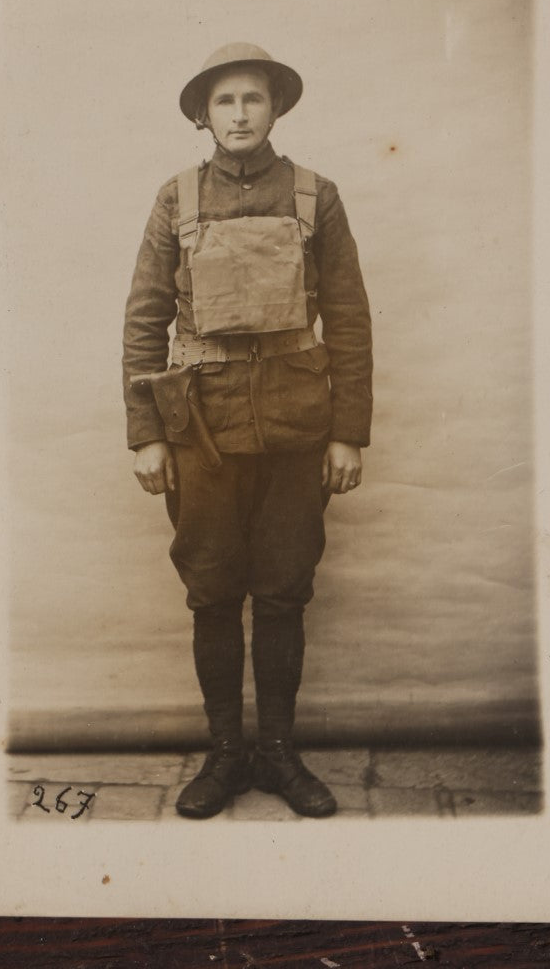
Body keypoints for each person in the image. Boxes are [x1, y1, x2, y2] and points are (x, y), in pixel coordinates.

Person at [123, 43, 372, 819]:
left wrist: (347, 432)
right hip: (199, 430)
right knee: (210, 591)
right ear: (203, 114)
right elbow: (144, 320)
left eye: (252, 99)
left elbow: (351, 318)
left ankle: (277, 752)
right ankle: (226, 753)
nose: (238, 113)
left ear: (275, 109)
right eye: (224, 100)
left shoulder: (314, 196)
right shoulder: (176, 200)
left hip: (299, 426)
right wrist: (145, 433)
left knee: (283, 592)